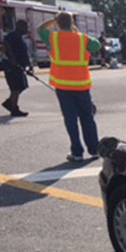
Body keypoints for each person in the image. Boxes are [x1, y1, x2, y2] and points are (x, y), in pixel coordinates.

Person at [37, 12, 102, 162]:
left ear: (57, 23)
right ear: (72, 22)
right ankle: (94, 150)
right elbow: (96, 45)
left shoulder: (53, 37)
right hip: (81, 85)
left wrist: (53, 21)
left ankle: (77, 152)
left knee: (70, 119)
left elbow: (40, 29)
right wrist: (75, 29)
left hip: (63, 86)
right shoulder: (82, 38)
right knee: (88, 118)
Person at [0, 19, 33, 117]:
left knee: (22, 86)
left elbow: (23, 53)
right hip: (12, 67)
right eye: (25, 27)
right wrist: (12, 59)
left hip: (19, 67)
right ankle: (14, 109)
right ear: (20, 26)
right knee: (15, 88)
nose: (27, 29)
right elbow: (5, 46)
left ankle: (9, 102)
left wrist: (29, 65)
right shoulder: (12, 36)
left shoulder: (20, 37)